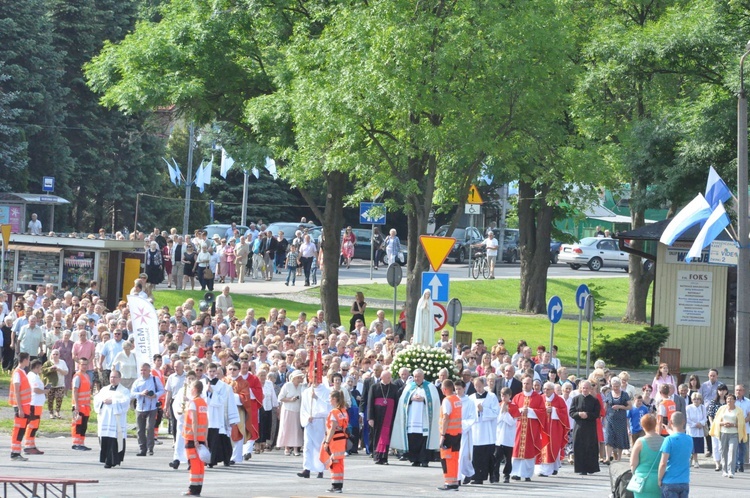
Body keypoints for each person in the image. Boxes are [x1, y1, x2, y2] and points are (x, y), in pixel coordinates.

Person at [391, 369, 441, 467]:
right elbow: (402, 400)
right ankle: (415, 459)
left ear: (423, 376)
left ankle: (424, 459)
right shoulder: (409, 386)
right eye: (415, 376)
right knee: (413, 439)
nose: (417, 378)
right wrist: (410, 398)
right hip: (412, 419)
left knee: (424, 439)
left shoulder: (430, 387)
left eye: (419, 376)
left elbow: (435, 401)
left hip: (425, 419)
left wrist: (424, 399)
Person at [508, 375, 549, 481]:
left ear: (532, 385)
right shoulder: (517, 397)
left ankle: (527, 474)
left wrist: (530, 411)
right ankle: (516, 473)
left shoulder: (538, 397)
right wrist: (521, 410)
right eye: (524, 383)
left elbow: (542, 412)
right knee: (517, 450)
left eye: (528, 383)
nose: (525, 386)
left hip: (531, 428)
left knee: (529, 450)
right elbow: (512, 410)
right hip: (519, 427)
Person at [94, 370, 131, 468]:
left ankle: (113, 460)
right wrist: (103, 400)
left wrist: (113, 401)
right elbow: (96, 399)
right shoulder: (104, 389)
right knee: (105, 439)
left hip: (116, 420)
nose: (112, 379)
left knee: (114, 440)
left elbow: (126, 402)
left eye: (114, 377)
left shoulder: (124, 390)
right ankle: (106, 459)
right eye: (111, 377)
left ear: (119, 378)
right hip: (105, 419)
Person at [467, 377, 499, 484]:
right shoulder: (471, 398)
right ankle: (477, 477)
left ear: (484, 385)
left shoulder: (491, 396)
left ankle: (492, 475)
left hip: (487, 431)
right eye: (475, 386)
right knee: (476, 455)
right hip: (475, 431)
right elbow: (469, 414)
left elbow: (495, 412)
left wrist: (483, 410)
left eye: (479, 386)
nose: (478, 388)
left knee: (488, 456)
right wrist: (476, 412)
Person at [536, 381, 570, 478]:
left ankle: (553, 467)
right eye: (544, 389)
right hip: (542, 428)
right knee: (543, 447)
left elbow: (564, 413)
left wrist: (554, 410)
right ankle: (544, 470)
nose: (545, 391)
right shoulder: (540, 398)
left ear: (552, 390)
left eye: (548, 389)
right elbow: (536, 409)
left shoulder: (559, 400)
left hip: (555, 428)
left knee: (553, 448)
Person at [709, 393, 747, 478]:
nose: (729, 401)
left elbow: (741, 423)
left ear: (734, 400)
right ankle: (724, 470)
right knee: (723, 452)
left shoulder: (739, 410)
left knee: (732, 451)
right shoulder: (722, 409)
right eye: (728, 399)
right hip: (723, 433)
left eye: (731, 399)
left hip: (734, 434)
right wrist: (723, 423)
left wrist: (733, 425)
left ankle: (731, 471)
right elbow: (717, 421)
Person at [131, 362, 165, 456]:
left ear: (149, 371)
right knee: (140, 430)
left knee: (150, 428)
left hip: (152, 407)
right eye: (141, 370)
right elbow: (131, 393)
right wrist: (140, 394)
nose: (143, 372)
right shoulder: (137, 381)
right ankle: (142, 449)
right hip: (140, 408)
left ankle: (150, 448)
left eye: (145, 370)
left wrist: (155, 395)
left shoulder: (155, 379)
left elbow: (162, 390)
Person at [367, 370, 400, 465]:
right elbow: (370, 403)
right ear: (382, 378)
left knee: (386, 436)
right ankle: (377, 457)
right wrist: (370, 418)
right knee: (377, 436)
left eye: (390, 377)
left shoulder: (394, 387)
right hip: (377, 415)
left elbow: (396, 402)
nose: (390, 379)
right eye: (388, 377)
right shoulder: (374, 387)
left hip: (389, 416)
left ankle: (384, 458)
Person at [298, 381, 330, 478]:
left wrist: (316, 398)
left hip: (320, 421)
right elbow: (303, 408)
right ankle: (306, 468)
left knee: (318, 446)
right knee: (307, 445)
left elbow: (328, 407)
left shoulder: (326, 391)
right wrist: (307, 417)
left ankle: (320, 469)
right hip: (310, 422)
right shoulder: (306, 392)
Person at [569, 380, 601, 475]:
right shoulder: (576, 399)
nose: (585, 390)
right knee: (579, 447)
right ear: (580, 388)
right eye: (583, 388)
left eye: (587, 388)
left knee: (590, 447)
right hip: (579, 427)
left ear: (590, 389)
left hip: (590, 427)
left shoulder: (594, 400)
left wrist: (587, 415)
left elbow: (597, 414)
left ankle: (591, 468)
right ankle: (581, 469)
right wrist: (579, 414)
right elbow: (571, 412)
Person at [320, 390, 349, 493]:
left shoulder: (334, 412)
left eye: (330, 398)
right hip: (342, 439)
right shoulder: (343, 411)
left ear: (334, 399)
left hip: (335, 440)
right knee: (340, 463)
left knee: (334, 463)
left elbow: (332, 428)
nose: (329, 400)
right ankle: (339, 485)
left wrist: (327, 442)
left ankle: (335, 486)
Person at [183, 380, 208, 497]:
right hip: (202, 436)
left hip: (192, 437)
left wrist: (195, 438)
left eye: (191, 387)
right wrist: (205, 438)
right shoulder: (203, 402)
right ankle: (198, 488)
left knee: (193, 463)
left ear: (195, 389)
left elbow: (194, 421)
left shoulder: (193, 402)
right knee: (200, 464)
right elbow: (206, 421)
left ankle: (192, 489)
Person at [658, 412, 693, 497]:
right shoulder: (689, 439)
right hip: (684, 481)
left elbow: (663, 463)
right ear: (684, 422)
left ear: (670, 422)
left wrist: (659, 479)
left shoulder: (668, 440)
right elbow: (678, 437)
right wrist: (669, 430)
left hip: (670, 481)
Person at [436, 379, 462, 491]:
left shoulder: (447, 400)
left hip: (448, 433)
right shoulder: (457, 399)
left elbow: (446, 417)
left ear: (445, 389)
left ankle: (449, 482)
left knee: (446, 458)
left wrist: (442, 434)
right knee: (455, 458)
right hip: (457, 433)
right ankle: (454, 481)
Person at [629, 413, 662, 498]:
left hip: (641, 479)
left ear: (642, 426)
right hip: (660, 478)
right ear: (656, 424)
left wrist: (634, 475)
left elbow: (633, 464)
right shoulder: (664, 441)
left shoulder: (640, 441)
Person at [23, 360, 48, 454]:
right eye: (40, 367)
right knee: (32, 425)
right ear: (36, 367)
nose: (41, 369)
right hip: (34, 404)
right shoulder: (33, 376)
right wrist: (45, 391)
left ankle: (31, 445)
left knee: (34, 426)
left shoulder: (35, 376)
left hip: (37, 404)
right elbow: (36, 390)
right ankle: (28, 445)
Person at [604, 376, 631, 462]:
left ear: (620, 385)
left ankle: (619, 458)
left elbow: (630, 406)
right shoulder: (609, 394)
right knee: (608, 437)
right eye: (613, 386)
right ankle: (608, 457)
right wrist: (602, 417)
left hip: (620, 419)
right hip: (610, 419)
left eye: (617, 386)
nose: (615, 388)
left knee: (620, 437)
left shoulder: (624, 394)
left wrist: (620, 406)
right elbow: (605, 406)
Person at [10, 353, 32, 461]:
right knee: (18, 430)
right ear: (24, 360)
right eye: (28, 359)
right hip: (21, 406)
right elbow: (17, 391)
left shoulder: (22, 372)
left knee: (21, 430)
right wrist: (20, 408)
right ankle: (14, 453)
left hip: (25, 405)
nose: (29, 361)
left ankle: (16, 452)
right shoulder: (17, 373)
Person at [277, 370, 305, 455]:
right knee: (287, 428)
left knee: (296, 430)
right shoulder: (287, 385)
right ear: (293, 378)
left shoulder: (302, 386)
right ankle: (287, 448)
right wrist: (290, 399)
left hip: (297, 410)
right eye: (298, 378)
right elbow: (280, 398)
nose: (300, 379)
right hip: (287, 410)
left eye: (301, 378)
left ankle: (296, 449)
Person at [493, 387, 515, 483]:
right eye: (502, 395)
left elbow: (512, 422)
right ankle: (495, 476)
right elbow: (496, 421)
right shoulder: (498, 405)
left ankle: (506, 475)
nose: (503, 398)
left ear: (509, 396)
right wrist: (501, 413)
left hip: (508, 437)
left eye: (505, 395)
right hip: (499, 437)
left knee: (508, 459)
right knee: (496, 458)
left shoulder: (514, 406)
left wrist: (506, 413)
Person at [71, 357, 93, 451]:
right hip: (79, 405)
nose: (84, 366)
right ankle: (76, 443)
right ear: (79, 365)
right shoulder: (77, 376)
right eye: (82, 364)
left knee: (84, 425)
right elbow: (75, 391)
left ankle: (81, 443)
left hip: (86, 405)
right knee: (77, 425)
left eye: (85, 364)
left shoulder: (87, 376)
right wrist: (76, 405)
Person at [42, 349, 68, 419]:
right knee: (50, 399)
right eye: (54, 354)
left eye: (57, 354)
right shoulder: (48, 363)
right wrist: (51, 369)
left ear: (59, 355)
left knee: (59, 398)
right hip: (50, 384)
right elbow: (43, 371)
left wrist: (59, 369)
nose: (55, 356)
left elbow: (66, 372)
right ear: (51, 355)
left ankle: (57, 412)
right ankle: (51, 413)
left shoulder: (62, 362)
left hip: (60, 384)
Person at [708, 383, 728, 471]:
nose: (721, 392)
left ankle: (724, 463)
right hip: (715, 426)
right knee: (715, 445)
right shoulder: (713, 401)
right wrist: (712, 423)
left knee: (723, 445)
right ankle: (717, 464)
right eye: (720, 390)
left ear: (726, 391)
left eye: (723, 390)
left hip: (726, 426)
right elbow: (710, 414)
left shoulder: (728, 402)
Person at [686, 392, 706, 468]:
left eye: (698, 399)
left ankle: (693, 459)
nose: (696, 401)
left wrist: (701, 423)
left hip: (700, 430)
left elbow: (705, 418)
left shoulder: (702, 407)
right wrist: (695, 424)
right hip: (691, 430)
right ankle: (695, 461)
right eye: (694, 399)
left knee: (697, 447)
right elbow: (687, 419)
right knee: (692, 446)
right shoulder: (688, 408)